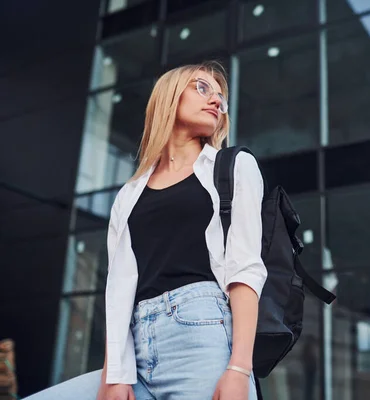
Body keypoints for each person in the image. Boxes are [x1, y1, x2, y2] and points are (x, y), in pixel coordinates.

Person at [25, 61, 267, 400]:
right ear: (169, 96)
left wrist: (240, 369)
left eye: (221, 97)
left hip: (202, 339)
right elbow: (120, 288)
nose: (215, 100)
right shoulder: (129, 193)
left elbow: (244, 272)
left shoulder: (232, 167)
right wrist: (114, 372)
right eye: (202, 88)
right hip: (137, 348)